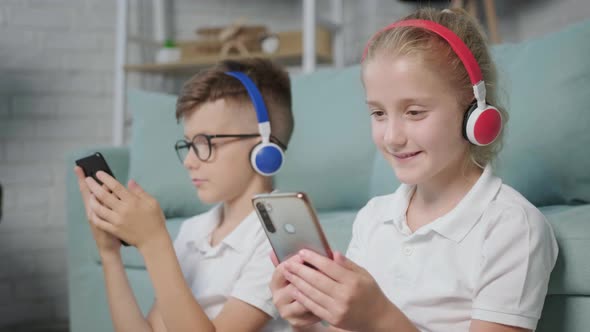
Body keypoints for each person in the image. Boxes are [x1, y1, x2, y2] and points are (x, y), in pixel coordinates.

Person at [270, 7, 558, 332]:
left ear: (475, 114)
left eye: (415, 112)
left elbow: (375, 321)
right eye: (378, 114)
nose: (392, 137)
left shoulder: (510, 227)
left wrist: (380, 318)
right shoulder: (373, 219)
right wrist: (305, 322)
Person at [74, 58, 293, 332]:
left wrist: (155, 243)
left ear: (263, 149)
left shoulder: (282, 238)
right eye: (189, 144)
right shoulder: (194, 232)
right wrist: (110, 254)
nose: (189, 161)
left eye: (204, 142)